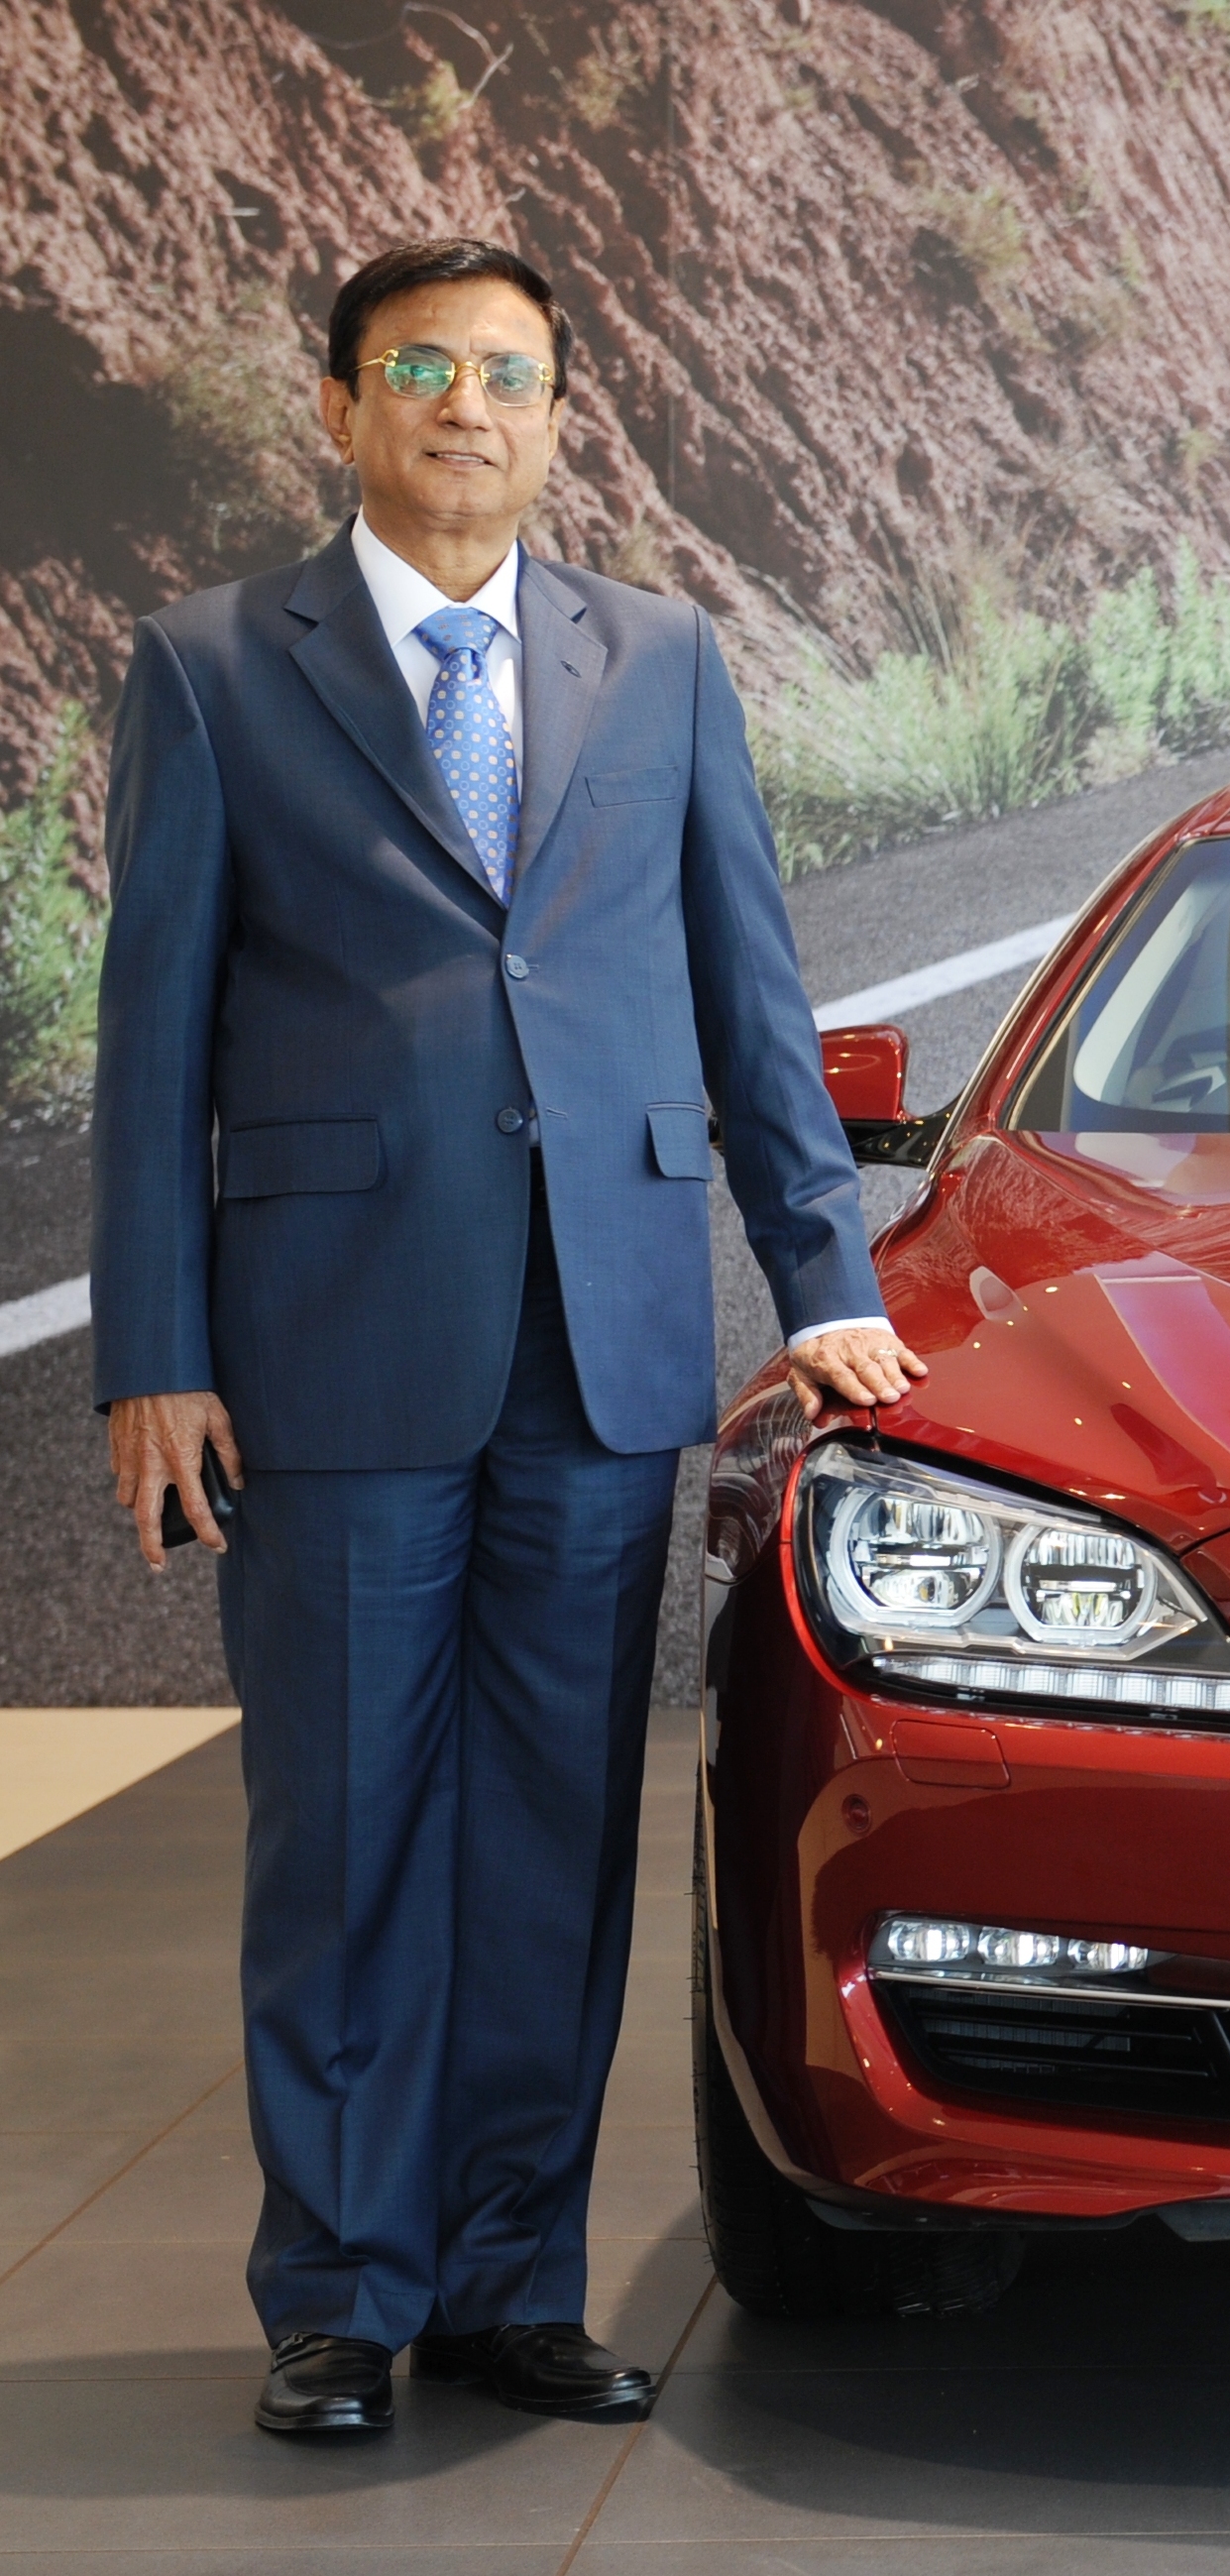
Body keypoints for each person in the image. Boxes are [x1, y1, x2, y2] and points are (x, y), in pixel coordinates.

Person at [90, 239, 930, 2438]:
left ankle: (506, 2281)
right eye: (420, 368)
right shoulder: (213, 665)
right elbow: (152, 1040)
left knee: (555, 1835)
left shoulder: (659, 657)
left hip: (601, 1333)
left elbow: (749, 989)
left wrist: (826, 1279)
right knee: (344, 1835)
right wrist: (154, 1350)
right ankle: (340, 2295)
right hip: (329, 1344)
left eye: (508, 373)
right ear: (341, 405)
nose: (466, 405)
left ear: (560, 414)